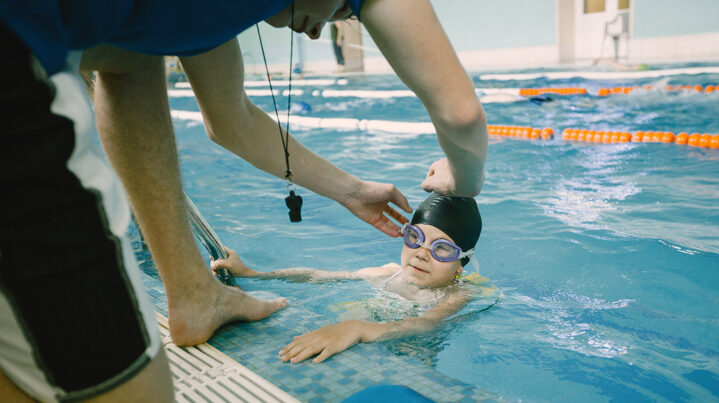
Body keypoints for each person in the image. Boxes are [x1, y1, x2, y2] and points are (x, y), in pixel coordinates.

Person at [1, 0, 487, 400]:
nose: (321, 33)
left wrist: (352, 194)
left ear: (461, 261)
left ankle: (192, 291)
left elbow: (140, 74)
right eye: (345, 9)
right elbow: (462, 114)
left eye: (442, 248)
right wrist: (461, 181)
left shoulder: (191, 19)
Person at [211, 193, 483, 363]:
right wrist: (254, 274)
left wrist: (359, 328)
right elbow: (318, 277)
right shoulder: (388, 273)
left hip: (407, 354)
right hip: (355, 338)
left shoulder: (458, 294)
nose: (422, 254)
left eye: (442, 249)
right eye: (415, 238)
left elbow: (427, 324)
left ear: (462, 262)